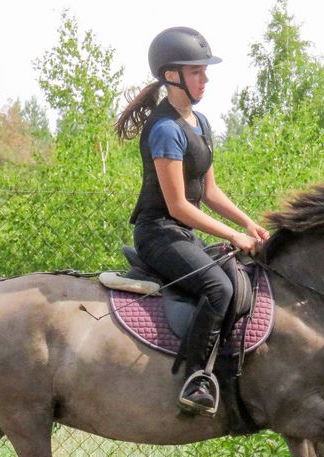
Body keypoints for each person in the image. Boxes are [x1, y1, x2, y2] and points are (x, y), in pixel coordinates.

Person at [114, 26, 269, 416]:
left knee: (239, 277)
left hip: (182, 234)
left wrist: (248, 225)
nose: (205, 78)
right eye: (197, 71)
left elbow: (210, 193)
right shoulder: (166, 129)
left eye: (204, 70)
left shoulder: (200, 124)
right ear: (172, 76)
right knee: (218, 288)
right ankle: (197, 378)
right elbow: (180, 206)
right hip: (159, 234)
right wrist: (232, 234)